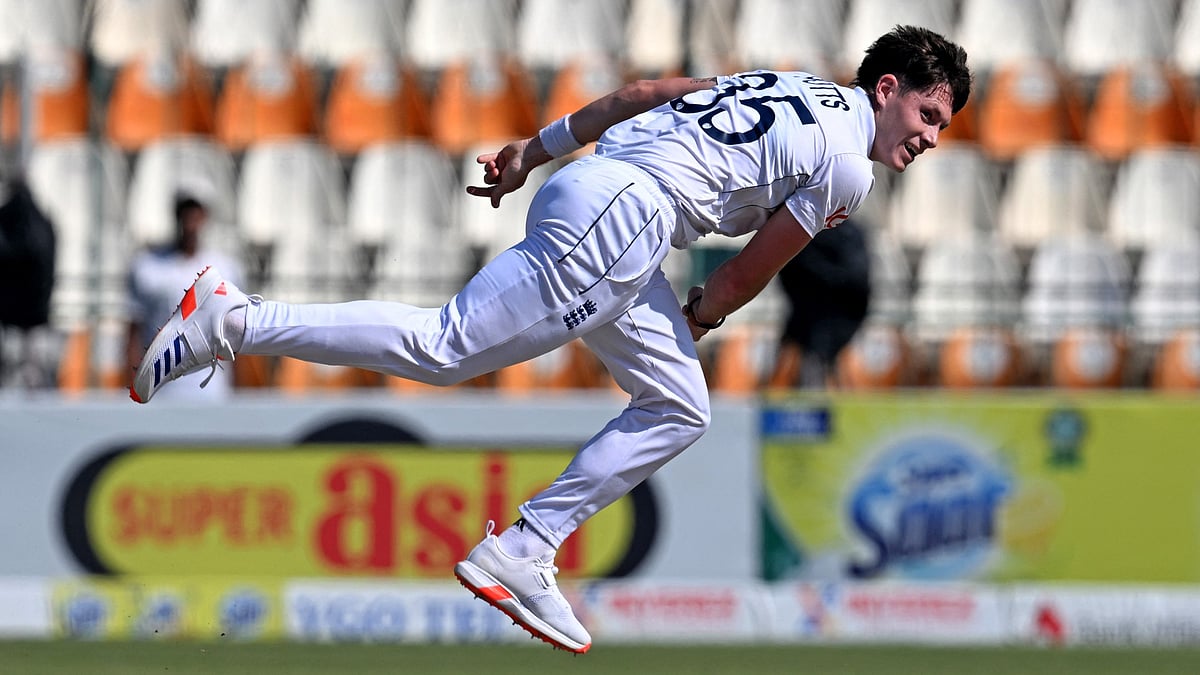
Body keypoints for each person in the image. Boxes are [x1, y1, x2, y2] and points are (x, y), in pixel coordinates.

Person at [129, 26, 971, 652]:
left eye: (942, 127)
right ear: (888, 86)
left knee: (680, 405)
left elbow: (639, 96)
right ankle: (234, 318)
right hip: (628, 219)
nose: (930, 138)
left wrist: (532, 150)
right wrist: (702, 316)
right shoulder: (849, 163)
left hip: (599, 194)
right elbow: (752, 270)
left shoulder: (781, 81)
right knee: (446, 348)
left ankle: (526, 545)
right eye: (928, 113)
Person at [126, 193, 243, 402]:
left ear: (204, 217)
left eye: (195, 213)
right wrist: (134, 385)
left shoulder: (226, 269)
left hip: (211, 389)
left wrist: (238, 390)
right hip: (161, 387)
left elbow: (236, 333)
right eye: (185, 212)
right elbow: (133, 331)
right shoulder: (148, 267)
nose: (190, 220)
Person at [769, 216, 872, 389]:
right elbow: (786, 272)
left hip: (840, 315)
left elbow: (857, 280)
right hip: (805, 314)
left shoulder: (848, 233)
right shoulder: (800, 226)